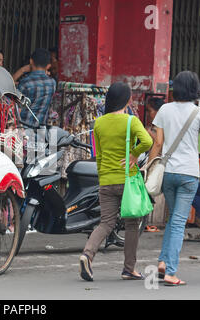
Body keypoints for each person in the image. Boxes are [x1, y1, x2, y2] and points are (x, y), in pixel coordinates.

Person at [79, 82, 153, 282]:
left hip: (106, 180)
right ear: (127, 100)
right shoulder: (131, 121)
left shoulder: (99, 123)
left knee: (106, 223)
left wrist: (103, 178)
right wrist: (134, 155)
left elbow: (99, 155)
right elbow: (148, 141)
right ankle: (129, 269)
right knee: (131, 223)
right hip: (127, 180)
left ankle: (87, 254)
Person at [148, 71, 200, 286]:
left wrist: (148, 167)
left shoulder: (164, 109)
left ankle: (163, 262)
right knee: (178, 223)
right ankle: (171, 272)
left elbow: (157, 143)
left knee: (174, 219)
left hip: (168, 172)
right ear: (194, 89)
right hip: (188, 174)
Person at [13, 48, 56, 127]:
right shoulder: (52, 83)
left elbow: (15, 106)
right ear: (48, 65)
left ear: (31, 61)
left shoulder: (26, 82)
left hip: (24, 128)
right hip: (41, 128)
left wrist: (22, 70)